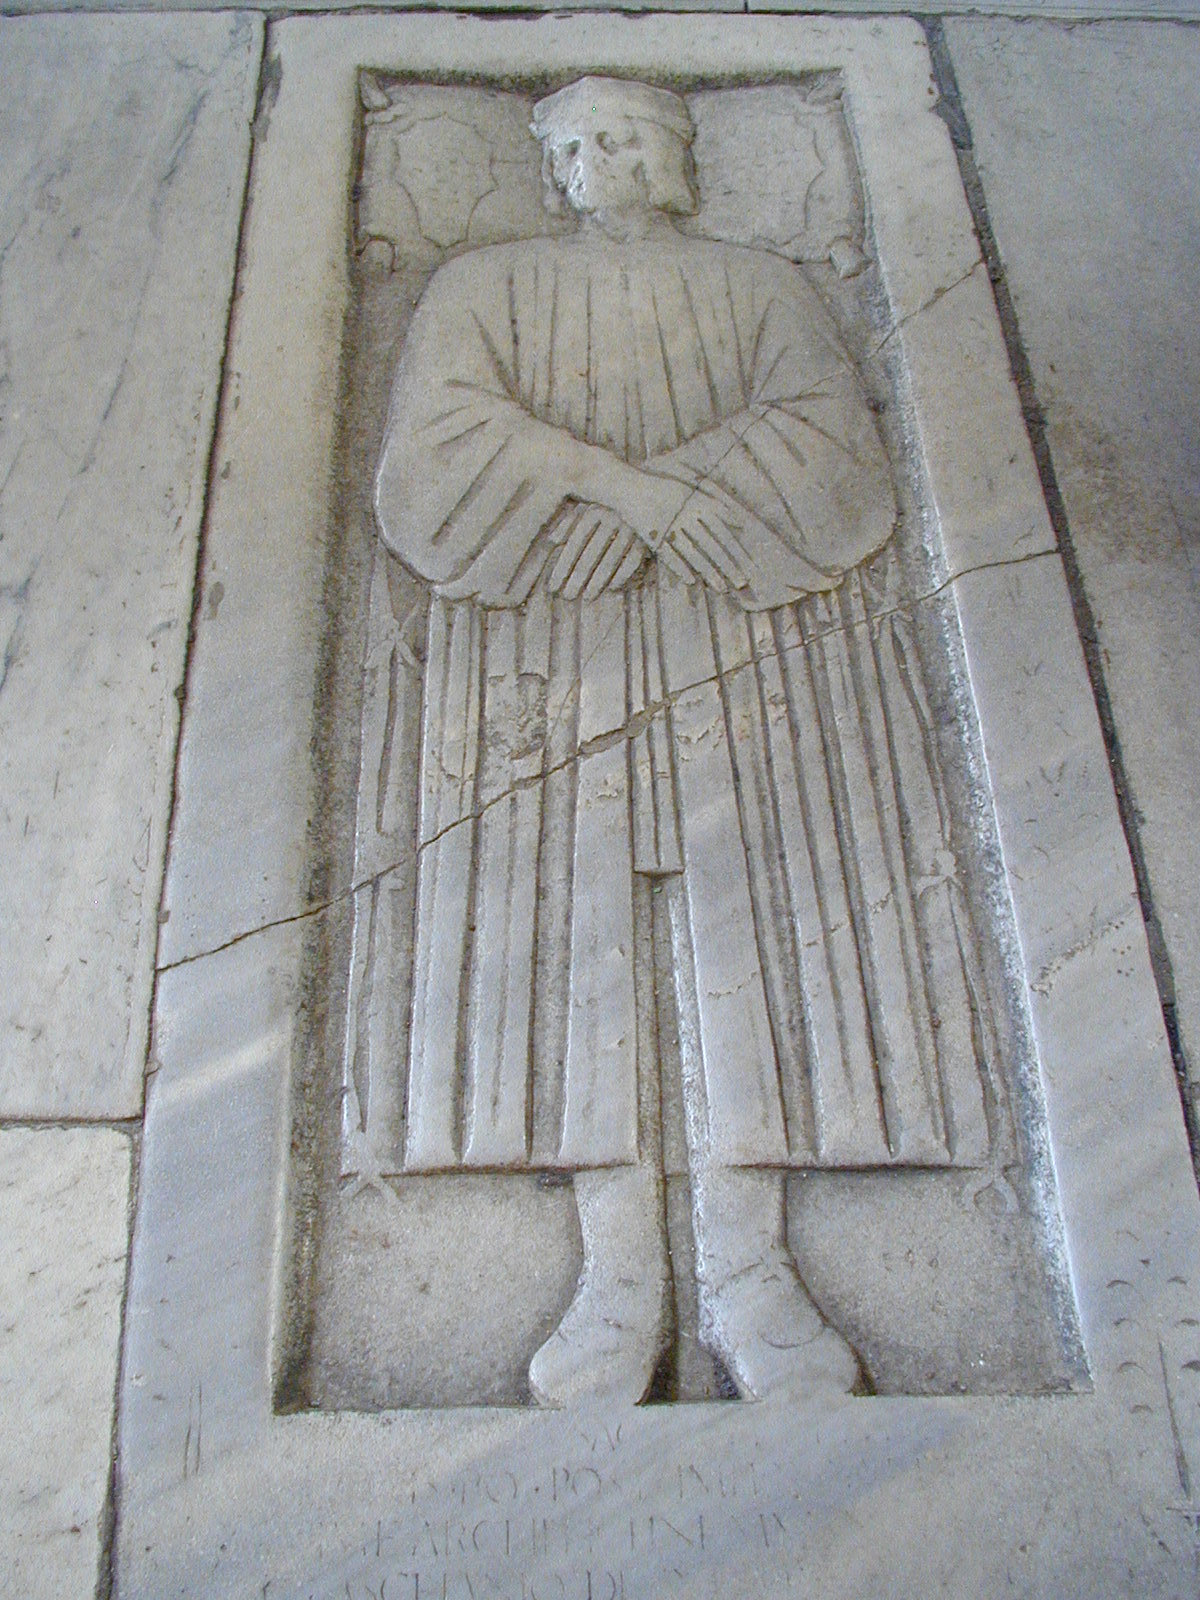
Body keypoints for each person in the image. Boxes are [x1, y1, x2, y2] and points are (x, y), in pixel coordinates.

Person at [373, 76, 991, 1404]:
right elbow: (439, 443)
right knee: (569, 942)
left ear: (674, 154)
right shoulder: (486, 283)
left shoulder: (760, 285)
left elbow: (830, 439)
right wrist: (617, 493)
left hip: (742, 629)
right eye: (572, 146)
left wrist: (665, 507)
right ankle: (617, 1287)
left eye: (623, 138)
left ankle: (751, 1277)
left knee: (755, 932)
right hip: (553, 635)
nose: (596, 162)